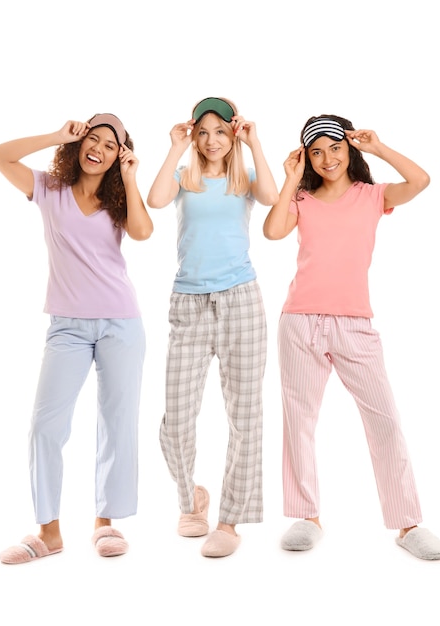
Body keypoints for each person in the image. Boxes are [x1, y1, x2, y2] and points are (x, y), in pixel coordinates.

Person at [263, 114, 440, 560]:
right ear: (307, 156)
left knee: (384, 420)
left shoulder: (372, 196)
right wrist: (290, 179)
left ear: (350, 151)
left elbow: (420, 180)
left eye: (335, 148)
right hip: (300, 321)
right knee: (299, 420)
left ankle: (407, 524)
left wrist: (379, 147)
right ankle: (306, 515)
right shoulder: (302, 197)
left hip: (355, 325)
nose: (327, 158)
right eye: (316, 151)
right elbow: (272, 232)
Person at [0, 113, 153, 563]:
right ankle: (49, 532)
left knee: (117, 422)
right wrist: (55, 136)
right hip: (67, 325)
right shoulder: (48, 189)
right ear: (78, 145)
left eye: (110, 144)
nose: (97, 147)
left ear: (119, 154)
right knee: (46, 425)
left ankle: (106, 522)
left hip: (121, 322)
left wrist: (130, 176)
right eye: (91, 139)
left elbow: (143, 232)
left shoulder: (119, 200)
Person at [147, 97, 279, 558]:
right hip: (189, 301)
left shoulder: (246, 179)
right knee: (177, 417)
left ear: (232, 134)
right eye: (202, 132)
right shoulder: (186, 176)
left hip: (242, 300)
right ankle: (191, 500)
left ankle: (229, 520)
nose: (210, 140)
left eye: (220, 131)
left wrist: (254, 141)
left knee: (245, 417)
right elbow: (155, 199)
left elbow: (272, 199)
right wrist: (174, 147)